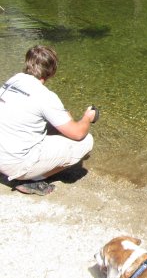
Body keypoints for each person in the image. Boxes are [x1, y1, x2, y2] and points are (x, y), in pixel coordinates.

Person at [0, 45, 97, 196]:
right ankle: (31, 180)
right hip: (14, 164)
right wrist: (87, 117)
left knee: (49, 124)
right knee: (86, 141)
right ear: (52, 71)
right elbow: (78, 133)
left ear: (27, 63)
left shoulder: (14, 80)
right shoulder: (45, 96)